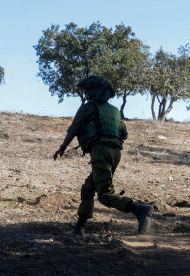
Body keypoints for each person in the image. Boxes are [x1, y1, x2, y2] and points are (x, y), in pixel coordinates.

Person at [53, 76, 152, 237]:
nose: (85, 94)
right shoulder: (114, 110)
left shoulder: (88, 107)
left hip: (100, 152)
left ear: (91, 92)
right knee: (88, 188)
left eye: (87, 91)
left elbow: (74, 128)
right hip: (115, 153)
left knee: (105, 195)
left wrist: (62, 147)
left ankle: (138, 209)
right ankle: (79, 229)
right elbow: (124, 134)